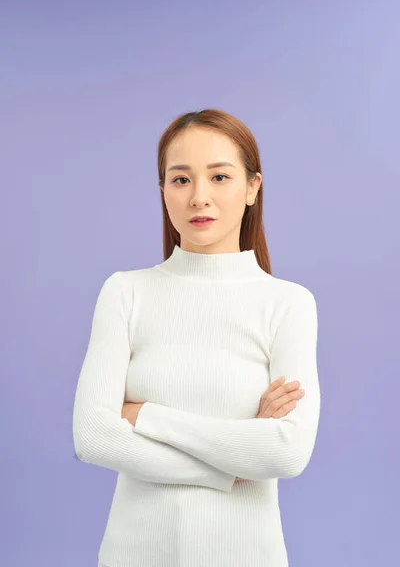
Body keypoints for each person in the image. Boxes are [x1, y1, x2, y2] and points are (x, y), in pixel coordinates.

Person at [73, 108, 320, 567]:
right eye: (181, 179)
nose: (198, 197)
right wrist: (234, 463)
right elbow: (92, 437)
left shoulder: (287, 303)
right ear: (163, 190)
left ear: (252, 188)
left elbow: (287, 452)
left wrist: (144, 415)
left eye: (220, 177)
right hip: (134, 553)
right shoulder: (126, 292)